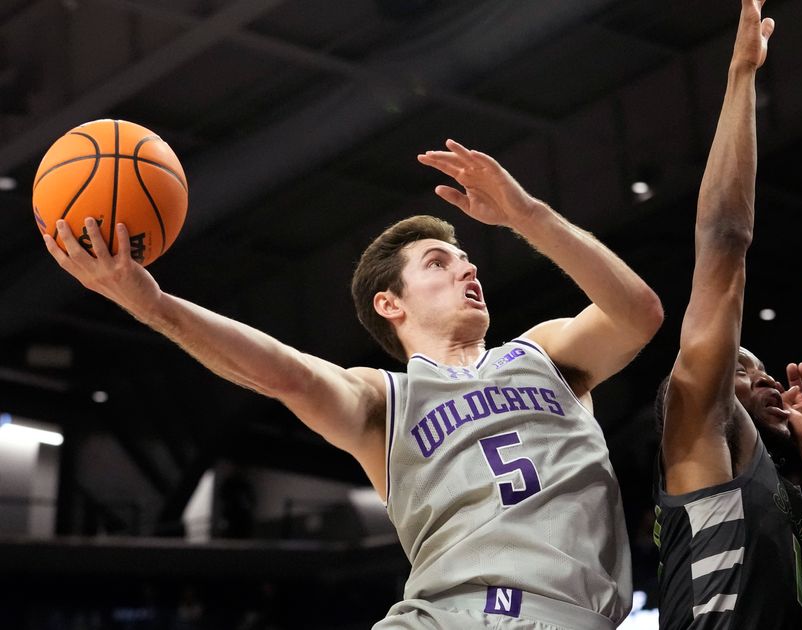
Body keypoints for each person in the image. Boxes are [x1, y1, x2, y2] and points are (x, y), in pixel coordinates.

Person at [45, 139, 664, 629]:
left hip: (566, 615)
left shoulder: (545, 354)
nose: (467, 268)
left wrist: (526, 215)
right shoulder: (383, 400)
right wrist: (153, 305)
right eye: (438, 263)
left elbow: (639, 314)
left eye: (466, 260)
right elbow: (284, 372)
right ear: (390, 304)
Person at [652, 2, 802, 628]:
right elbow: (725, 242)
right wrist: (741, 78)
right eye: (740, 368)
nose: (763, 378)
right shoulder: (703, 444)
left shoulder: (788, 510)